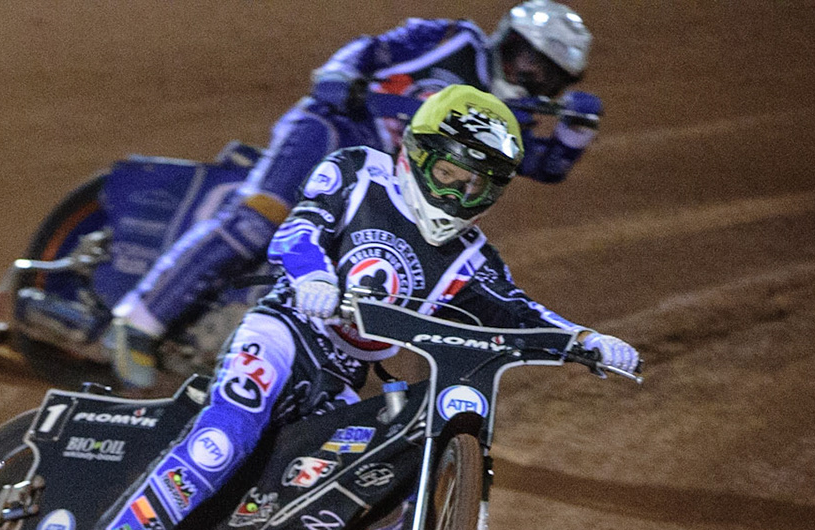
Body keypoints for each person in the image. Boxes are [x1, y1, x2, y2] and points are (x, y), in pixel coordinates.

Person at [38, 86, 638, 530]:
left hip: (342, 377)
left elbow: (521, 311)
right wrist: (313, 274)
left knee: (346, 491)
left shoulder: (473, 259)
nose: (458, 193)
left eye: (476, 184)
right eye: (449, 173)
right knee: (222, 442)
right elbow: (299, 229)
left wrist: (583, 341)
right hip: (283, 334)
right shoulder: (358, 172)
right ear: (417, 153)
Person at [108, 1, 604, 390]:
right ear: (507, 42)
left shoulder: (504, 115)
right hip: (333, 131)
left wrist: (575, 132)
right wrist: (340, 77)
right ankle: (139, 321)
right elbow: (370, 51)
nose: (531, 77)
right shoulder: (452, 40)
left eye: (549, 75)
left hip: (378, 177)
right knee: (260, 221)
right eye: (528, 60)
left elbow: (539, 165)